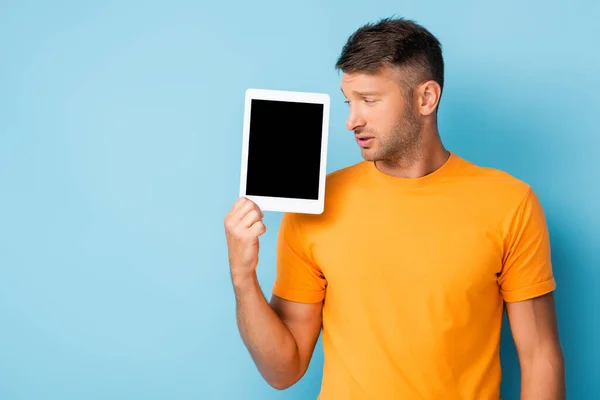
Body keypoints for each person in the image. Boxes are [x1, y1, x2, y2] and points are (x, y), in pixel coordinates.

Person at [224, 17, 565, 399]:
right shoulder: (313, 209)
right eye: (349, 101)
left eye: (369, 100)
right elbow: (282, 371)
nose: (352, 120)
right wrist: (243, 277)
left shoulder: (510, 203)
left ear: (426, 98)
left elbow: (540, 357)